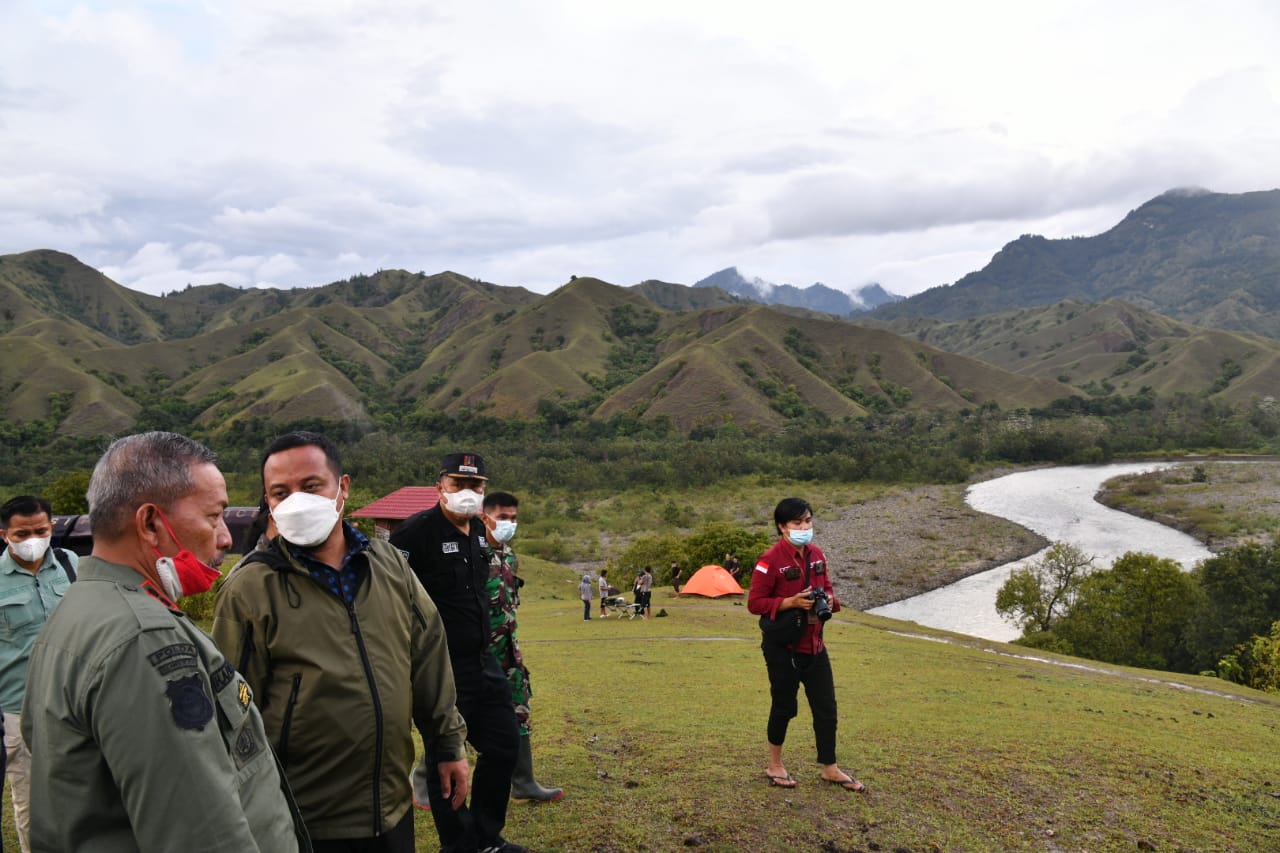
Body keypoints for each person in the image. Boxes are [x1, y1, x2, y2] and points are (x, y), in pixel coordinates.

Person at [21, 431, 309, 852]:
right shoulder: (143, 637)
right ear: (152, 523)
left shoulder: (82, 606)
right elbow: (201, 835)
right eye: (213, 517)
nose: (226, 537)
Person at [213, 431, 469, 853]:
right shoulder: (249, 589)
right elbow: (232, 713)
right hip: (306, 819)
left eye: (311, 486)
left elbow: (428, 658)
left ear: (342, 488)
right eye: (281, 492)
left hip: (392, 807)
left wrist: (447, 744)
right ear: (269, 502)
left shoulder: (388, 565)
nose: (297, 500)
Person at [390, 453, 526, 853]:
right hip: (439, 665)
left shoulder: (481, 533)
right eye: (459, 485)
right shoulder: (415, 533)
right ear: (440, 487)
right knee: (445, 756)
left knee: (504, 743)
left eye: (476, 487)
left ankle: (485, 835)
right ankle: (460, 844)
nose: (468, 494)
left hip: (483, 660)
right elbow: (391, 595)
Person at [746, 497, 865, 794]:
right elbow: (755, 603)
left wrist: (828, 601)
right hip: (783, 648)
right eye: (797, 523)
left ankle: (830, 767)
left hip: (814, 644)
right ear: (782, 527)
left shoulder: (817, 554)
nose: (804, 527)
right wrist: (791, 602)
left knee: (827, 708)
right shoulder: (768, 561)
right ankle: (775, 764)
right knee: (784, 706)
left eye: (808, 521)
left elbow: (827, 588)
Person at [1, 495, 77, 853]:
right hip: (18, 708)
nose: (33, 539)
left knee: (81, 792)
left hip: (73, 703)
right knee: (31, 802)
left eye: (41, 530)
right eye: (22, 533)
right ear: (4, 535)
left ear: (52, 528)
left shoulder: (71, 564)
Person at [480, 491, 564, 804]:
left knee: (519, 710)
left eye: (513, 518)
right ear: (484, 516)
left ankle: (524, 782)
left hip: (509, 653)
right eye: (503, 517)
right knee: (457, 714)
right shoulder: (471, 554)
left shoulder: (510, 555)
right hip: (476, 652)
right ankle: (424, 779)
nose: (509, 523)